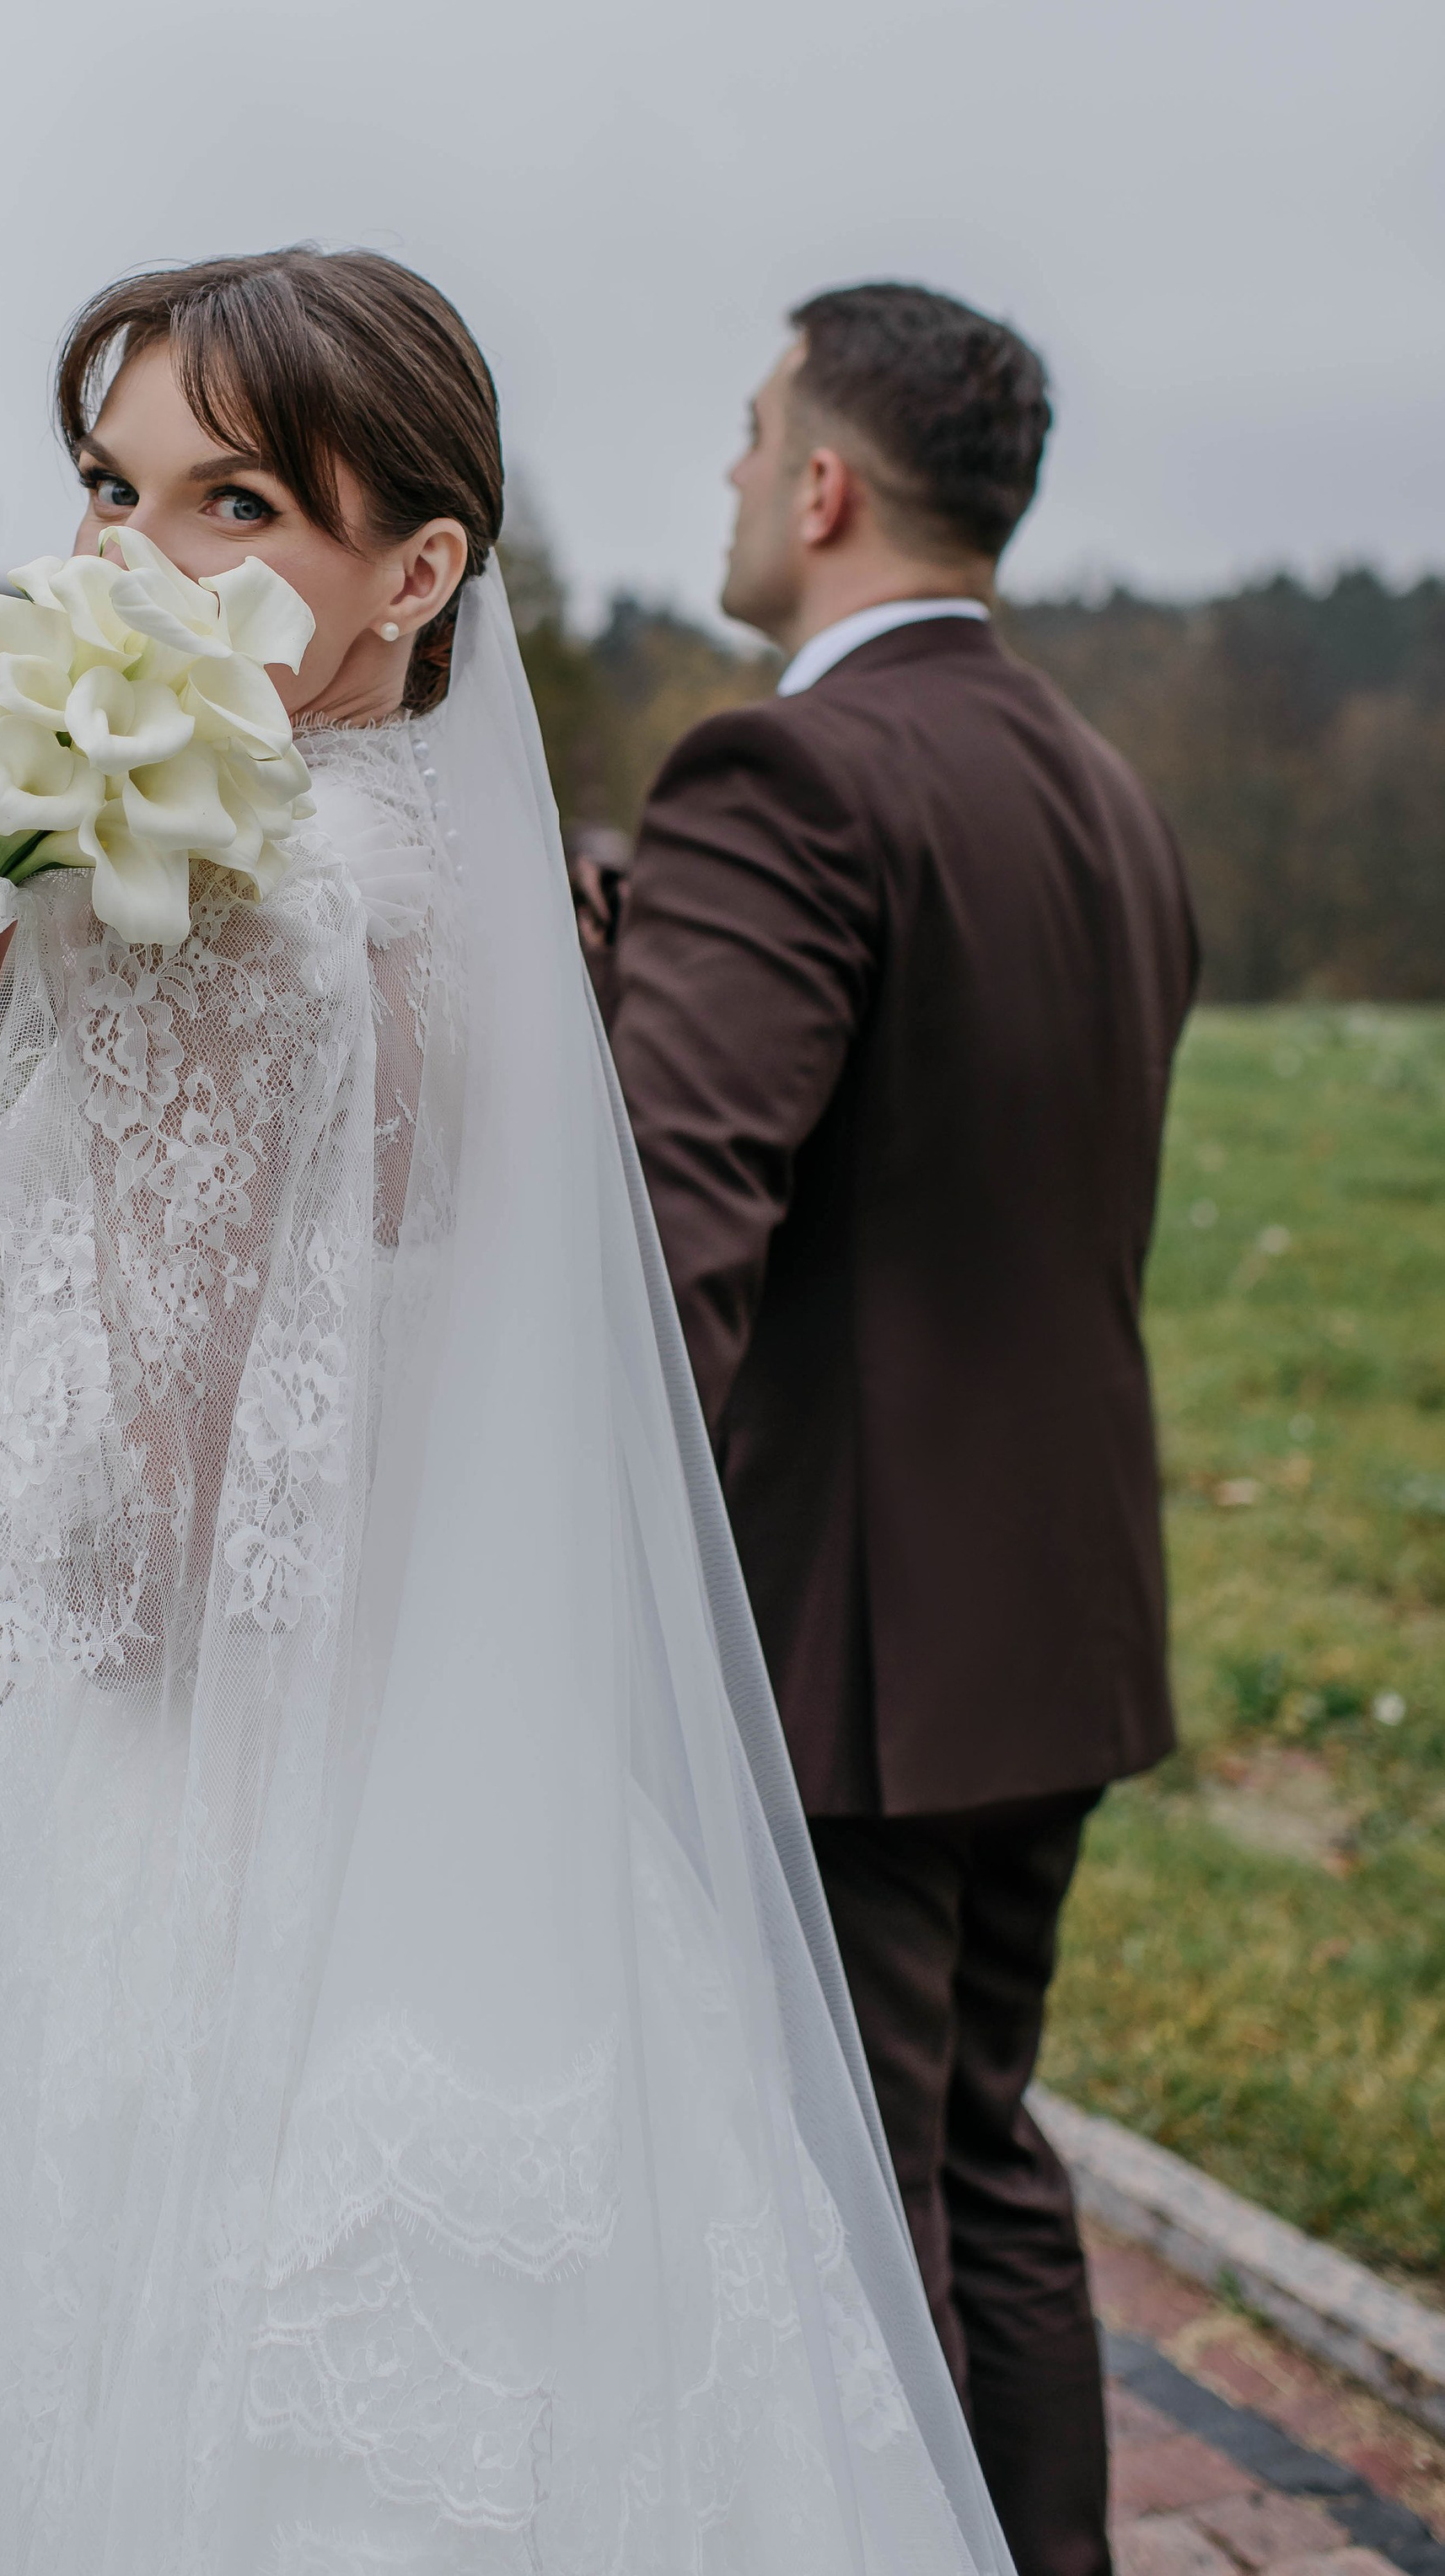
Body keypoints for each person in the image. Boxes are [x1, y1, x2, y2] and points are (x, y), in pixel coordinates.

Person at [0, 246, 1017, 2574]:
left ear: (417, 572)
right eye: (107, 484)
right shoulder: (453, 878)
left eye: (233, 501)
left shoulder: (234, 897)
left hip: (221, 1842)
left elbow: (108, 1544)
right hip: (491, 1819)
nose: (131, 561)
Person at [591, 284, 1199, 2576]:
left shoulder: (790, 767)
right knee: (982, 2159)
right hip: (1064, 1618)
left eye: (753, 435)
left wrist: (572, 1572)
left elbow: (681, 1231)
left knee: (852, 2217)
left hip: (855, 1640)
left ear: (824, 485)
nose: (735, 477)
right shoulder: (1103, 788)